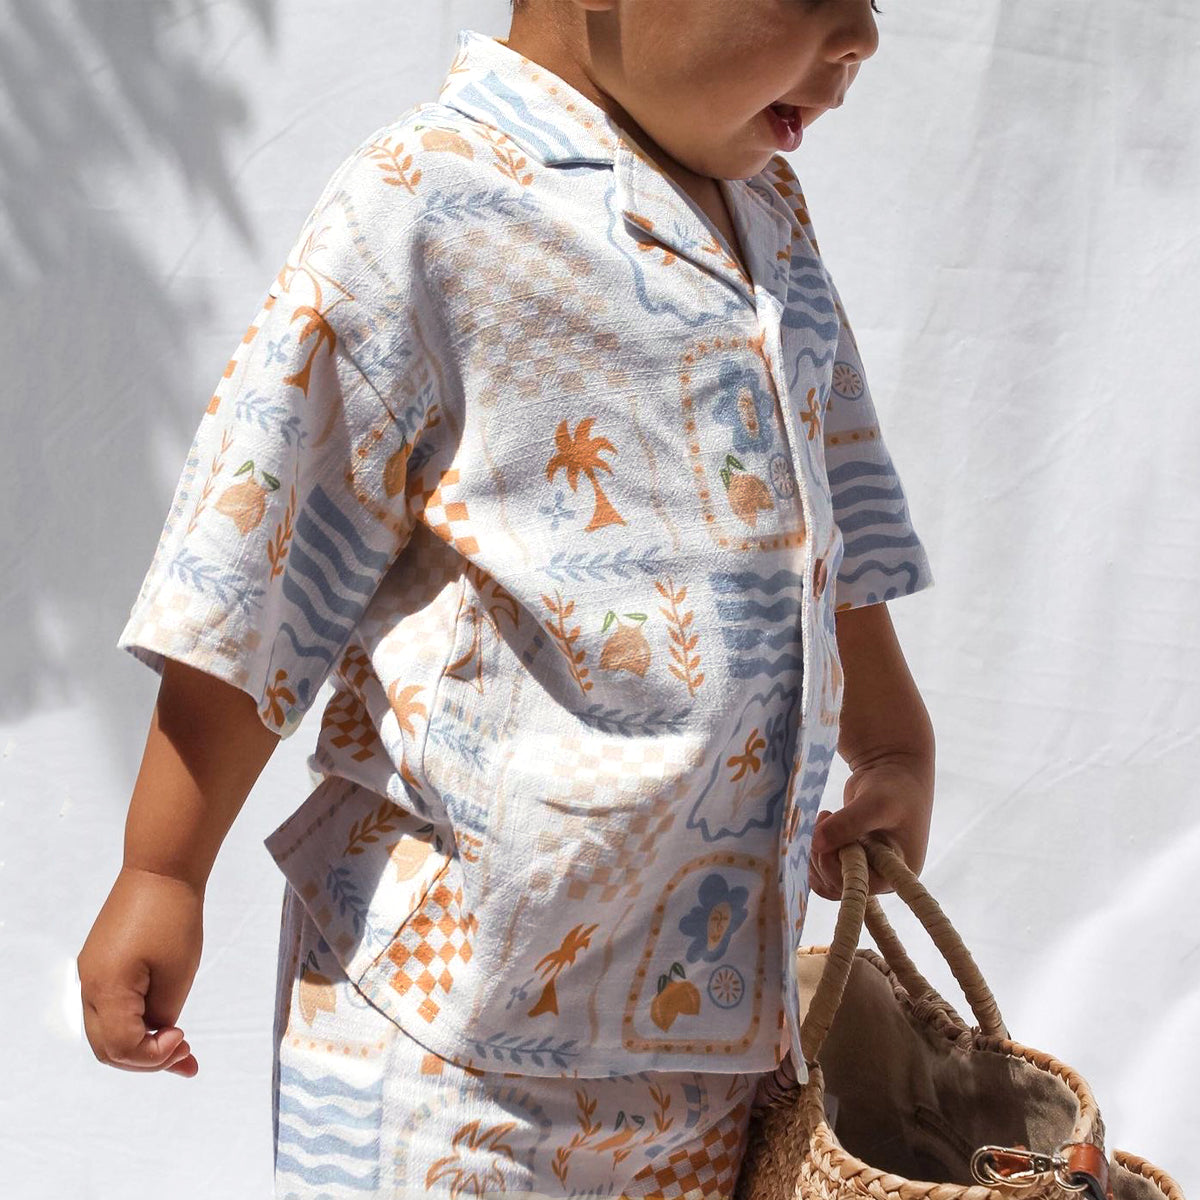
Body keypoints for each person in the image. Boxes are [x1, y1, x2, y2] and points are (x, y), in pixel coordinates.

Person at [77, 0, 936, 1194]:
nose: (863, 39)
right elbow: (264, 545)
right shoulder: (430, 196)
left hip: (707, 1033)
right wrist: (162, 870)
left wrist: (892, 741)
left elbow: (820, 510)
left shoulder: (771, 217)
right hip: (447, 1026)